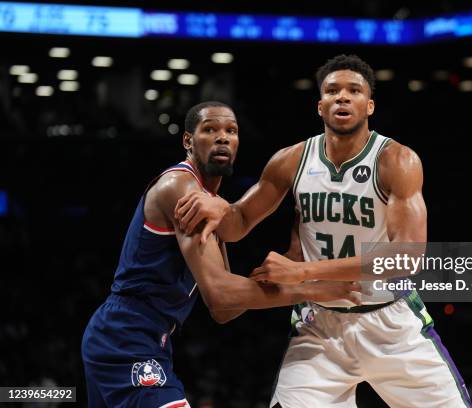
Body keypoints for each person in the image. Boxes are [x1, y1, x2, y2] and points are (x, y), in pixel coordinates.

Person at [176, 55, 472, 407]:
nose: (342, 97)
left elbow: (406, 258)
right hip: (319, 327)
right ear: (320, 106)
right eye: (332, 91)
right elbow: (238, 223)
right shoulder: (292, 160)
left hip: (391, 323)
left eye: (354, 91)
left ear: (369, 105)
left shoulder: (396, 160)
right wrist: (214, 203)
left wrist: (303, 272)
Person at [81, 101, 361, 408]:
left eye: (231, 130)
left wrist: (285, 268)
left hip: (144, 337)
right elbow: (221, 296)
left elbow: (225, 311)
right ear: (188, 141)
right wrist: (314, 289)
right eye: (210, 129)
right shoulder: (181, 187)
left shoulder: (210, 202)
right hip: (126, 335)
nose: (223, 137)